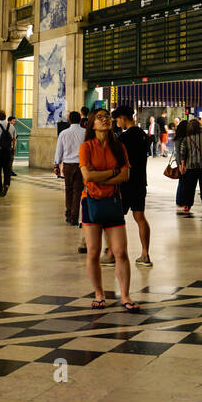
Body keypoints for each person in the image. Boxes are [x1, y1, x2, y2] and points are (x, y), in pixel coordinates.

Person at [78, 108, 138, 312]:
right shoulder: (86, 147)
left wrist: (103, 175)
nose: (105, 120)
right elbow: (88, 177)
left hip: (113, 201)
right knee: (93, 252)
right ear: (92, 124)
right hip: (90, 202)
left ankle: (126, 295)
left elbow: (125, 176)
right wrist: (113, 172)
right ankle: (99, 294)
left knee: (121, 251)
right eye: (100, 118)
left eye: (107, 117)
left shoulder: (119, 147)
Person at [111, 104, 153, 267]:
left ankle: (111, 253)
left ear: (123, 118)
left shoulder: (124, 138)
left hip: (124, 182)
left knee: (115, 219)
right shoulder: (142, 135)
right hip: (140, 182)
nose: (117, 124)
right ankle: (145, 254)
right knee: (140, 217)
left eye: (117, 120)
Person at [54, 110, 87, 234]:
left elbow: (59, 150)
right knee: (78, 191)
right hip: (81, 165)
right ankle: (74, 216)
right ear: (80, 120)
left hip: (68, 165)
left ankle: (69, 214)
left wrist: (56, 165)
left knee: (68, 189)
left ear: (69, 120)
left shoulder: (64, 133)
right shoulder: (85, 133)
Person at [176, 117, 202, 214]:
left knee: (190, 188)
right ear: (199, 127)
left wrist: (182, 165)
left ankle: (187, 206)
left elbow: (182, 153)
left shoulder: (186, 139)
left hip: (190, 167)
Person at [0, 109, 15, 197]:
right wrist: (13, 149)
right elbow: (14, 139)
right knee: (7, 170)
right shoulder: (11, 126)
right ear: (5, 116)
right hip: (8, 151)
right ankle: (7, 184)